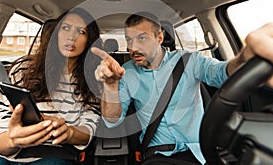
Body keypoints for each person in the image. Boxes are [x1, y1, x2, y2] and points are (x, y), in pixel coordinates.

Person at [91, 12, 273, 165]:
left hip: (202, 151)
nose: (133, 47)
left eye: (142, 38)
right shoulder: (126, 73)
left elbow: (221, 73)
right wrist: (110, 85)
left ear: (159, 38)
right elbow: (112, 121)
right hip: (158, 155)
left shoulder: (190, 61)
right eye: (129, 40)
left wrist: (243, 59)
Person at [0, 8, 102, 164]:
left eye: (81, 31)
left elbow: (89, 129)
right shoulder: (24, 68)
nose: (71, 36)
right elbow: (1, 126)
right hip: (3, 153)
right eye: (65, 28)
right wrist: (13, 141)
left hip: (54, 153)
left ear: (89, 40)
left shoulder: (94, 78)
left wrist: (69, 133)